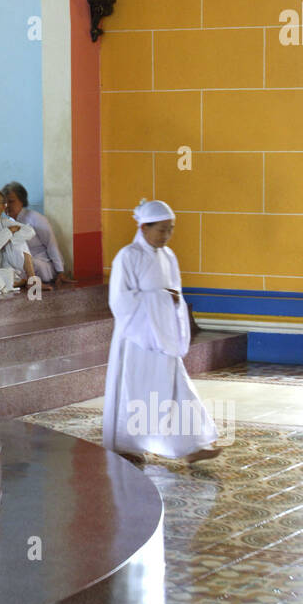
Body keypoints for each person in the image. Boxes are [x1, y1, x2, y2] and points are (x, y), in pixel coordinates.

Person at [102, 199, 221, 467]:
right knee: (134, 390)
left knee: (176, 387)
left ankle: (192, 445)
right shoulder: (128, 256)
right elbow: (121, 301)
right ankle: (126, 445)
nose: (166, 235)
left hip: (163, 337)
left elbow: (175, 294)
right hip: (137, 339)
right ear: (144, 228)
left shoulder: (168, 256)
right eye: (161, 230)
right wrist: (159, 299)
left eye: (170, 229)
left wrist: (170, 304)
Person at [2, 181, 69, 287]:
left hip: (40, 264)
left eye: (11, 201)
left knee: (28, 264)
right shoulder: (6, 223)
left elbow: (51, 245)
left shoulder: (35, 218)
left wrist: (60, 271)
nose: (7, 206)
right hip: (21, 266)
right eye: (4, 203)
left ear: (22, 201)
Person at [0, 187, 43, 292]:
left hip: (5, 264)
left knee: (19, 241)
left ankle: (32, 280)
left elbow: (30, 231)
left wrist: (1, 237)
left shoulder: (5, 222)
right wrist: (8, 232)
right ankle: (20, 281)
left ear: (4, 206)